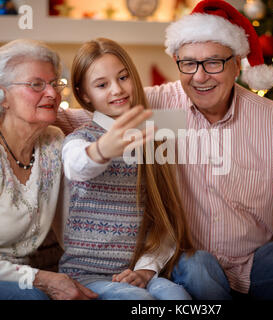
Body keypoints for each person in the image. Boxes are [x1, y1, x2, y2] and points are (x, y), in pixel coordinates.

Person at [0, 0, 273, 300]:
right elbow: (80, 119)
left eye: (214, 63)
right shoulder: (155, 109)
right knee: (196, 272)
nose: (200, 76)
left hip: (252, 258)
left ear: (237, 64)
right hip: (183, 259)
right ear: (177, 62)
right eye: (188, 63)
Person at [0, 39, 98, 300]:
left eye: (55, 84)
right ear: (1, 94)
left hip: (18, 273)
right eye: (36, 85)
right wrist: (39, 279)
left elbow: (69, 231)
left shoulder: (54, 142)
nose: (53, 94)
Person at [58, 37, 201, 300]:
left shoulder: (153, 139)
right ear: (84, 94)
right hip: (85, 276)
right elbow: (76, 166)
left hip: (135, 274)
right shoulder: (81, 140)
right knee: (140, 302)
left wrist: (146, 269)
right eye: (102, 85)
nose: (117, 90)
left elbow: (164, 221)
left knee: (178, 298)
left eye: (123, 77)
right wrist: (103, 150)